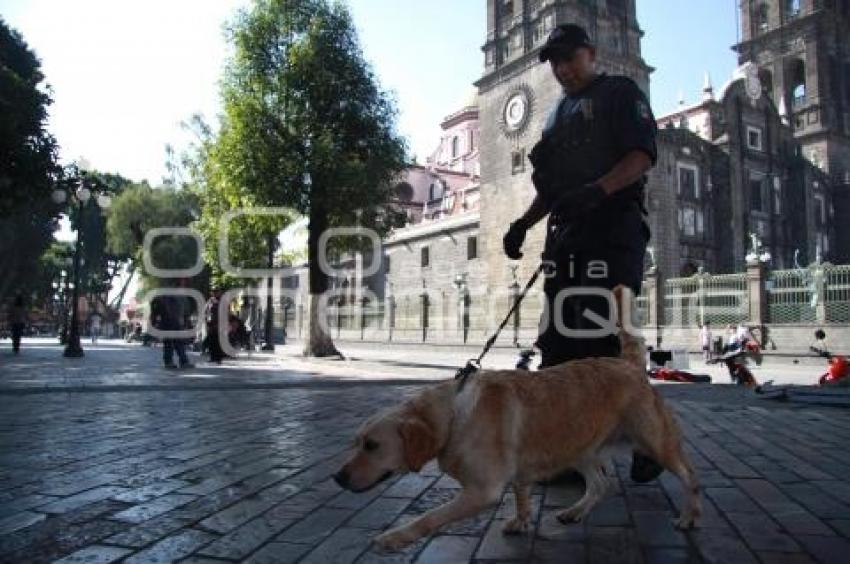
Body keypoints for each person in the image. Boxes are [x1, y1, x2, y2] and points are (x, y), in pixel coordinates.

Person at [502, 24, 659, 482]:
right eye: (555, 62)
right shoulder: (554, 117)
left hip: (614, 233)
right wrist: (521, 225)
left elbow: (642, 156)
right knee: (560, 346)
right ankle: (571, 454)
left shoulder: (619, 93)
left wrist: (598, 190)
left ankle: (646, 439)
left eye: (569, 58)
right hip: (568, 241)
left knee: (614, 341)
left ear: (591, 54)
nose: (562, 69)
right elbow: (550, 191)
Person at [150, 284, 194, 369]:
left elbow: (154, 313)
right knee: (177, 344)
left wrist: (154, 323)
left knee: (170, 344)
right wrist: (186, 324)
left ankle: (171, 362)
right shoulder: (179, 298)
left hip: (169, 324)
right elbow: (185, 313)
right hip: (174, 324)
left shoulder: (160, 298)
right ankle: (182, 362)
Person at [205, 286, 225, 363]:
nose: (215, 292)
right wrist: (206, 319)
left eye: (216, 291)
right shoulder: (210, 300)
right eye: (214, 291)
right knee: (211, 341)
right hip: (211, 323)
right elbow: (206, 310)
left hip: (219, 323)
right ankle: (212, 357)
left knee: (219, 341)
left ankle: (219, 358)